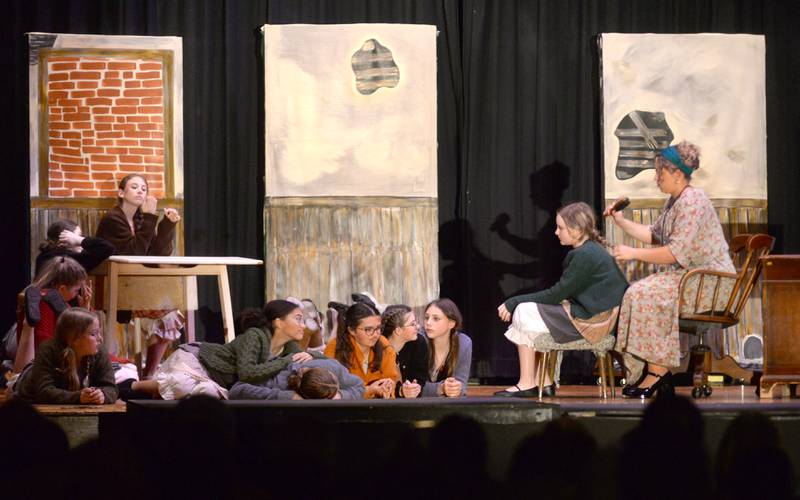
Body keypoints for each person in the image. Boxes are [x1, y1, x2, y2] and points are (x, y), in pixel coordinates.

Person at [607, 141, 734, 398]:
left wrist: (632, 253)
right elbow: (654, 236)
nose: (656, 178)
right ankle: (647, 371)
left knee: (645, 293)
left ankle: (658, 372)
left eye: (660, 173)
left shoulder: (693, 202)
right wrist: (621, 221)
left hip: (711, 283)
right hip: (693, 278)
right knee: (637, 291)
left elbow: (674, 252)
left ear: (677, 174)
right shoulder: (675, 202)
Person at [495, 202, 628, 397]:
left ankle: (527, 383)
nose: (556, 232)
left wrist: (513, 302)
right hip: (592, 316)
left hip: (593, 323)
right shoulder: (588, 250)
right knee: (531, 315)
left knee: (524, 310)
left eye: (561, 228)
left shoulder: (585, 255)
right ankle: (544, 381)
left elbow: (556, 294)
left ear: (576, 230)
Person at [129, 299, 319, 400]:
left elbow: (319, 357)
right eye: (298, 319)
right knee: (182, 385)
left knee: (208, 395)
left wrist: (310, 353)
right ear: (278, 322)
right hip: (198, 361)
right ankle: (132, 386)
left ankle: (156, 394)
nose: (303, 325)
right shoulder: (256, 336)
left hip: (216, 381)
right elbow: (248, 373)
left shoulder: (289, 346)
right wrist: (286, 360)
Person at [95, 174, 182, 379]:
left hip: (135, 285)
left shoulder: (139, 220)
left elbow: (158, 254)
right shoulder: (112, 219)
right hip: (114, 287)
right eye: (134, 187)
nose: (141, 191)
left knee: (170, 315)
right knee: (165, 310)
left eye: (144, 188)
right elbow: (134, 254)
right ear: (121, 193)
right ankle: (137, 372)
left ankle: (149, 372)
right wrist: (151, 217)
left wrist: (166, 225)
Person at [12, 308, 117, 404]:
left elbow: (111, 387)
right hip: (27, 394)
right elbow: (44, 391)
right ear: (75, 339)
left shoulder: (99, 350)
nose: (100, 339)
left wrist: (103, 395)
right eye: (93, 334)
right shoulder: (48, 350)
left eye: (99, 332)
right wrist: (78, 397)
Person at [13, 256, 90, 373]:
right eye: (76, 291)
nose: (77, 295)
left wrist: (85, 308)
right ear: (62, 289)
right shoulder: (53, 307)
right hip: (45, 364)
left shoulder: (39, 300)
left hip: (28, 359)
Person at [324, 302, 400, 399]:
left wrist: (387, 389)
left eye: (378, 328)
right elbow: (329, 389)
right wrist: (368, 391)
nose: (376, 334)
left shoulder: (384, 345)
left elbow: (391, 379)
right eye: (368, 329)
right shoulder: (334, 347)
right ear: (352, 330)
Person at [228, 357, 365, 400]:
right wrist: (286, 396)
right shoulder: (279, 381)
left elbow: (359, 386)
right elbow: (236, 390)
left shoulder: (331, 367)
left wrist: (340, 395)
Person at [421, 298, 471, 397]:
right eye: (426, 318)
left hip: (447, 406)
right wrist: (440, 388)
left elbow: (462, 385)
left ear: (451, 323)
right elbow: (413, 386)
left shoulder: (464, 343)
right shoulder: (419, 340)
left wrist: (456, 388)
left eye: (436, 319)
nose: (428, 323)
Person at [34, 219, 115, 276]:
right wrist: (80, 240)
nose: (80, 245)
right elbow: (108, 248)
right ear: (65, 242)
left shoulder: (43, 256)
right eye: (76, 237)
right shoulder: (69, 259)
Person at [382, 304, 428, 398]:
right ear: (398, 330)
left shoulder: (418, 343)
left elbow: (420, 376)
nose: (418, 326)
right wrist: (401, 391)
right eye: (413, 324)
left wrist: (415, 387)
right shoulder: (380, 348)